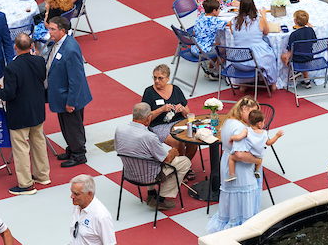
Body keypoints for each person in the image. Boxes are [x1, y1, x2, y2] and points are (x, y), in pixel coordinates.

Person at [0, 33, 50, 195]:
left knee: (21, 148)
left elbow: (10, 94)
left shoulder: (11, 67)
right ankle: (42, 176)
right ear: (31, 46)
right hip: (36, 110)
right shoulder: (39, 60)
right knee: (39, 142)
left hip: (19, 114)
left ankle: (26, 184)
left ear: (15, 47)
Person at [114, 103, 193, 210]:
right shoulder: (149, 137)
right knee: (185, 162)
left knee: (148, 156)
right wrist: (174, 151)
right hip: (149, 175)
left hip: (129, 172)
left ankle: (151, 193)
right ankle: (160, 199)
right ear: (148, 117)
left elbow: (118, 148)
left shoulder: (120, 129)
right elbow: (167, 159)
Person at [206, 97, 263, 234]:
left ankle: (230, 227)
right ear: (244, 109)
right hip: (241, 169)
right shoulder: (240, 128)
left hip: (227, 162)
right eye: (252, 113)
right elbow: (239, 154)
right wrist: (257, 161)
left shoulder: (228, 121)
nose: (253, 118)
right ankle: (244, 232)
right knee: (243, 199)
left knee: (232, 200)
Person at [45, 17, 93, 168]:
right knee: (66, 126)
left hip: (70, 98)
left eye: (53, 29)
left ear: (62, 31)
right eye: (50, 29)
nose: (49, 32)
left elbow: (76, 79)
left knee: (73, 127)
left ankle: (79, 155)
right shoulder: (59, 43)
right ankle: (72, 149)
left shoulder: (70, 49)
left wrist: (71, 102)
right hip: (61, 95)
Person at [140, 63, 192, 159]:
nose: (157, 81)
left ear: (168, 78)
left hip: (178, 122)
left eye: (160, 78)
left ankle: (186, 163)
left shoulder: (176, 89)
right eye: (155, 77)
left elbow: (188, 113)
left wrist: (182, 109)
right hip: (160, 125)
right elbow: (145, 118)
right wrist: (161, 109)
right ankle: (183, 166)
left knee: (193, 140)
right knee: (178, 141)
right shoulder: (149, 92)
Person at [226, 0, 278, 88]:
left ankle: (244, 82)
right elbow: (266, 32)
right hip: (255, 60)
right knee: (271, 56)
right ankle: (272, 83)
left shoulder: (233, 21)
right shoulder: (259, 19)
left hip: (238, 60)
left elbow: (235, 34)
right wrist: (264, 16)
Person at [225, 107, 282, 182]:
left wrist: (232, 137)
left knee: (231, 158)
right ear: (259, 124)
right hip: (259, 154)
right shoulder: (264, 133)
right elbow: (269, 143)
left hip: (249, 153)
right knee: (261, 158)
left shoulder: (247, 131)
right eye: (264, 122)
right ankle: (257, 170)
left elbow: (238, 137)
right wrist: (277, 136)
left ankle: (232, 174)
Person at [191, 0, 227, 78]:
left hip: (195, 48)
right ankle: (216, 72)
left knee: (217, 45)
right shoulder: (214, 20)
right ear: (214, 11)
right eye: (219, 9)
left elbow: (194, 32)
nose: (220, 11)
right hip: (203, 51)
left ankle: (210, 70)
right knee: (225, 50)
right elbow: (230, 24)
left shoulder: (200, 17)